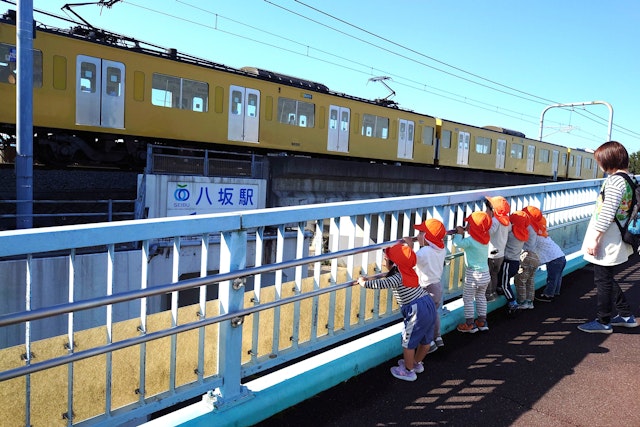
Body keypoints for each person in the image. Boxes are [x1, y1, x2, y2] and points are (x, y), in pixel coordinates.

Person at [579, 141, 638, 333]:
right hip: (619, 234)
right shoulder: (630, 179)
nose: (599, 165)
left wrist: (595, 239)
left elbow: (607, 213)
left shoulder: (614, 181)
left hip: (608, 237)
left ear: (608, 160)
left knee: (602, 280)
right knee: (606, 278)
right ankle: (626, 315)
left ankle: (603, 321)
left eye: (600, 161)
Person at [358, 242, 437, 381]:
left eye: (385, 258)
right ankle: (416, 363)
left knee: (408, 341)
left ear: (393, 263)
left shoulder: (397, 277)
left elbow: (380, 284)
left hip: (417, 309)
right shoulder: (408, 270)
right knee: (426, 339)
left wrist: (364, 282)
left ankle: (408, 371)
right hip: (427, 302)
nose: (383, 260)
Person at [404, 218, 447, 349]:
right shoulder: (441, 249)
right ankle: (437, 336)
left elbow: (410, 260)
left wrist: (409, 246)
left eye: (421, 233)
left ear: (427, 237)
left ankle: (429, 343)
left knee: (423, 317)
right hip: (437, 287)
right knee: (434, 313)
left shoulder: (424, 252)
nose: (417, 236)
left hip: (425, 288)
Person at [452, 211, 491, 333]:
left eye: (469, 224)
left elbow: (457, 244)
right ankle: (482, 321)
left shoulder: (470, 240)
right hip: (485, 274)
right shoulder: (485, 238)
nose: (466, 226)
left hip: (473, 274)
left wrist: (459, 233)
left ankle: (469, 324)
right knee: (480, 297)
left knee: (468, 298)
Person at [499, 210, 530, 311]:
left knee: (504, 284)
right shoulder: (523, 233)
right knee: (504, 280)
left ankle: (512, 302)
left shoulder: (511, 234)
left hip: (508, 262)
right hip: (515, 262)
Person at [514, 206, 542, 309]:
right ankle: (530, 302)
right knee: (530, 280)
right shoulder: (535, 226)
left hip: (526, 255)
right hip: (535, 256)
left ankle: (522, 302)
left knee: (520, 279)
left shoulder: (527, 226)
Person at [485, 196, 511, 302]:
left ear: (493, 210)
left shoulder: (495, 221)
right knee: (495, 274)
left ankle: (488, 294)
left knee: (488, 274)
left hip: (491, 253)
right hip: (500, 253)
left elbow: (489, 232)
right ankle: (494, 292)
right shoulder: (506, 220)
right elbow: (509, 229)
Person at [534, 219, 567, 302]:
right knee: (557, 277)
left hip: (554, 260)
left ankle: (548, 295)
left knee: (552, 278)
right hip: (561, 257)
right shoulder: (544, 236)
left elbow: (529, 245)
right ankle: (555, 292)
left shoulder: (537, 238)